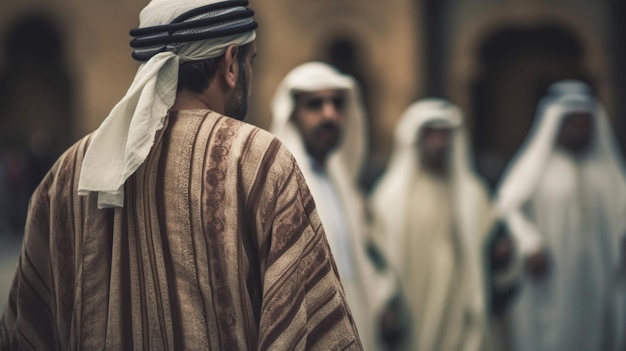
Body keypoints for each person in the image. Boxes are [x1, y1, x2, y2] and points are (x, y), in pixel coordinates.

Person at [0, 1, 363, 350]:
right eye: (250, 61)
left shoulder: (67, 172)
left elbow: (29, 325)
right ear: (231, 62)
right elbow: (313, 329)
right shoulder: (260, 160)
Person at [270, 62, 405, 350]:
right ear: (292, 114)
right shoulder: (280, 184)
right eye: (315, 105)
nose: (329, 114)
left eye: (336, 104)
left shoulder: (341, 182)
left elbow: (361, 263)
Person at [496, 79, 626, 351]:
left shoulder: (606, 171)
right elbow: (507, 210)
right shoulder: (535, 168)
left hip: (598, 276)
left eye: (586, 122)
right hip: (551, 279)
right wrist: (530, 244)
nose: (581, 129)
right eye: (574, 122)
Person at [370, 98, 496, 351]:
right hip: (414, 309)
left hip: (459, 308)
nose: (439, 142)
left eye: (444, 135)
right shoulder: (389, 197)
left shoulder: (473, 194)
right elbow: (377, 259)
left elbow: (493, 250)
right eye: (432, 135)